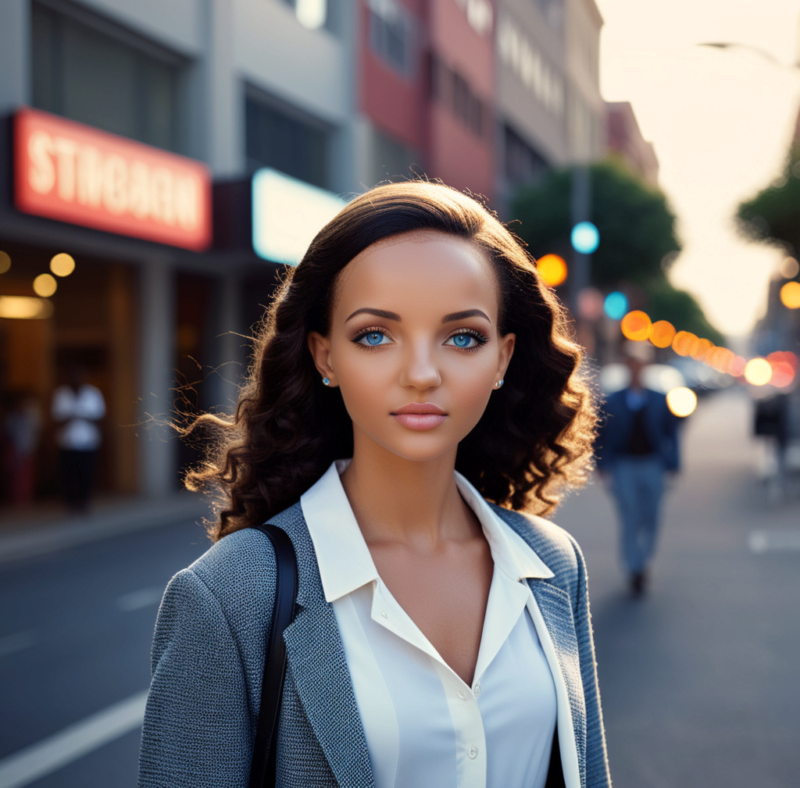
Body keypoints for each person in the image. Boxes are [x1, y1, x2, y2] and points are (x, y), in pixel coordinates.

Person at [138, 182, 611, 788]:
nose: (421, 373)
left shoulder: (552, 564)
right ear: (325, 355)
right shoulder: (229, 595)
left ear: (502, 358)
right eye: (375, 335)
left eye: (462, 337)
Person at [596, 344, 680, 596]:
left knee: (652, 515)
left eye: (640, 364)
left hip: (653, 464)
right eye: (631, 363)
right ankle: (635, 567)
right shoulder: (613, 400)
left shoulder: (658, 398)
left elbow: (671, 433)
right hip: (624, 466)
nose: (636, 368)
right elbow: (600, 436)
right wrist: (602, 465)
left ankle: (643, 558)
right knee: (630, 516)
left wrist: (673, 463)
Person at [51, 366, 106, 513]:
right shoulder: (61, 394)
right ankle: (70, 503)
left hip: (87, 442)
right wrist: (70, 416)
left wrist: (83, 416)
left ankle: (84, 502)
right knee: (68, 474)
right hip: (67, 442)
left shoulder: (93, 394)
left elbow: (100, 417)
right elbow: (55, 419)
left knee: (86, 473)